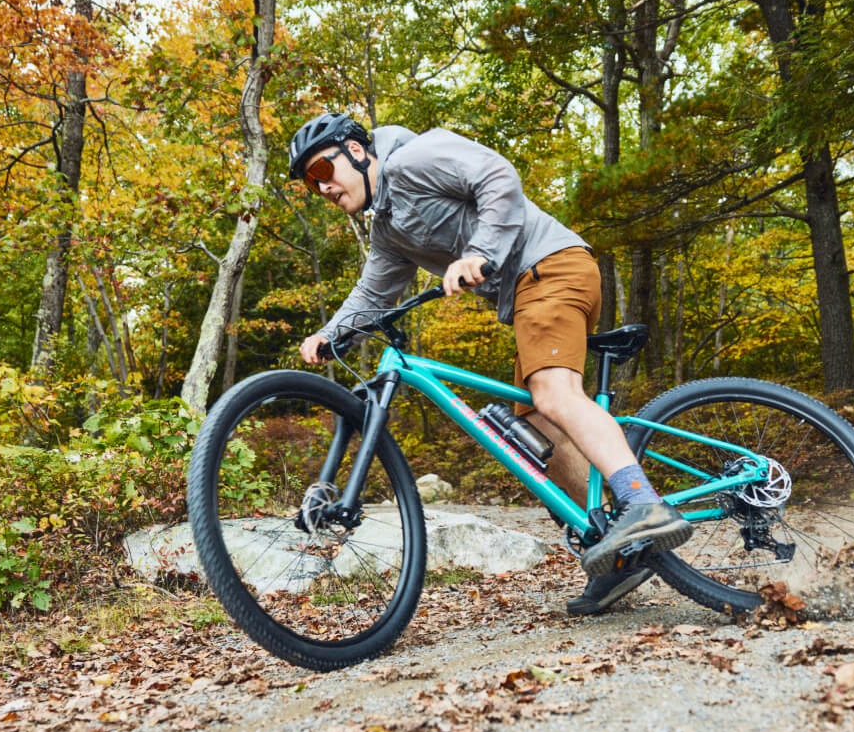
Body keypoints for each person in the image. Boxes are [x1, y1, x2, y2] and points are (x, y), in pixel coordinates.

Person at [289, 113, 692, 614]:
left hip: (551, 266)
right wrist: (333, 333)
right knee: (539, 429)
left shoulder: (415, 157)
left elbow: (497, 177)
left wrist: (479, 252)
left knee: (553, 394)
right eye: (311, 183)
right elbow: (375, 288)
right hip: (529, 289)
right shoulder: (389, 228)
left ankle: (641, 504)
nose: (322, 186)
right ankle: (621, 558)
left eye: (323, 170)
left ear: (355, 151)